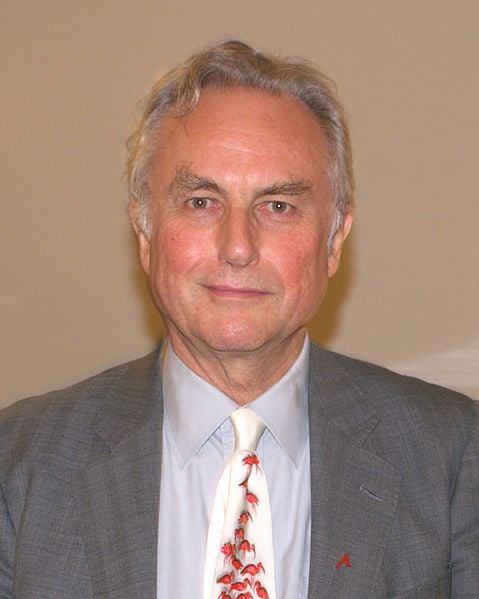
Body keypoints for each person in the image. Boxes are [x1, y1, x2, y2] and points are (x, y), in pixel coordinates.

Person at [0, 41, 477, 599]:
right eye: (202, 201)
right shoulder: (18, 463)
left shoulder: (456, 457)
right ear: (146, 232)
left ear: (334, 241)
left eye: (278, 206)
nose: (238, 247)